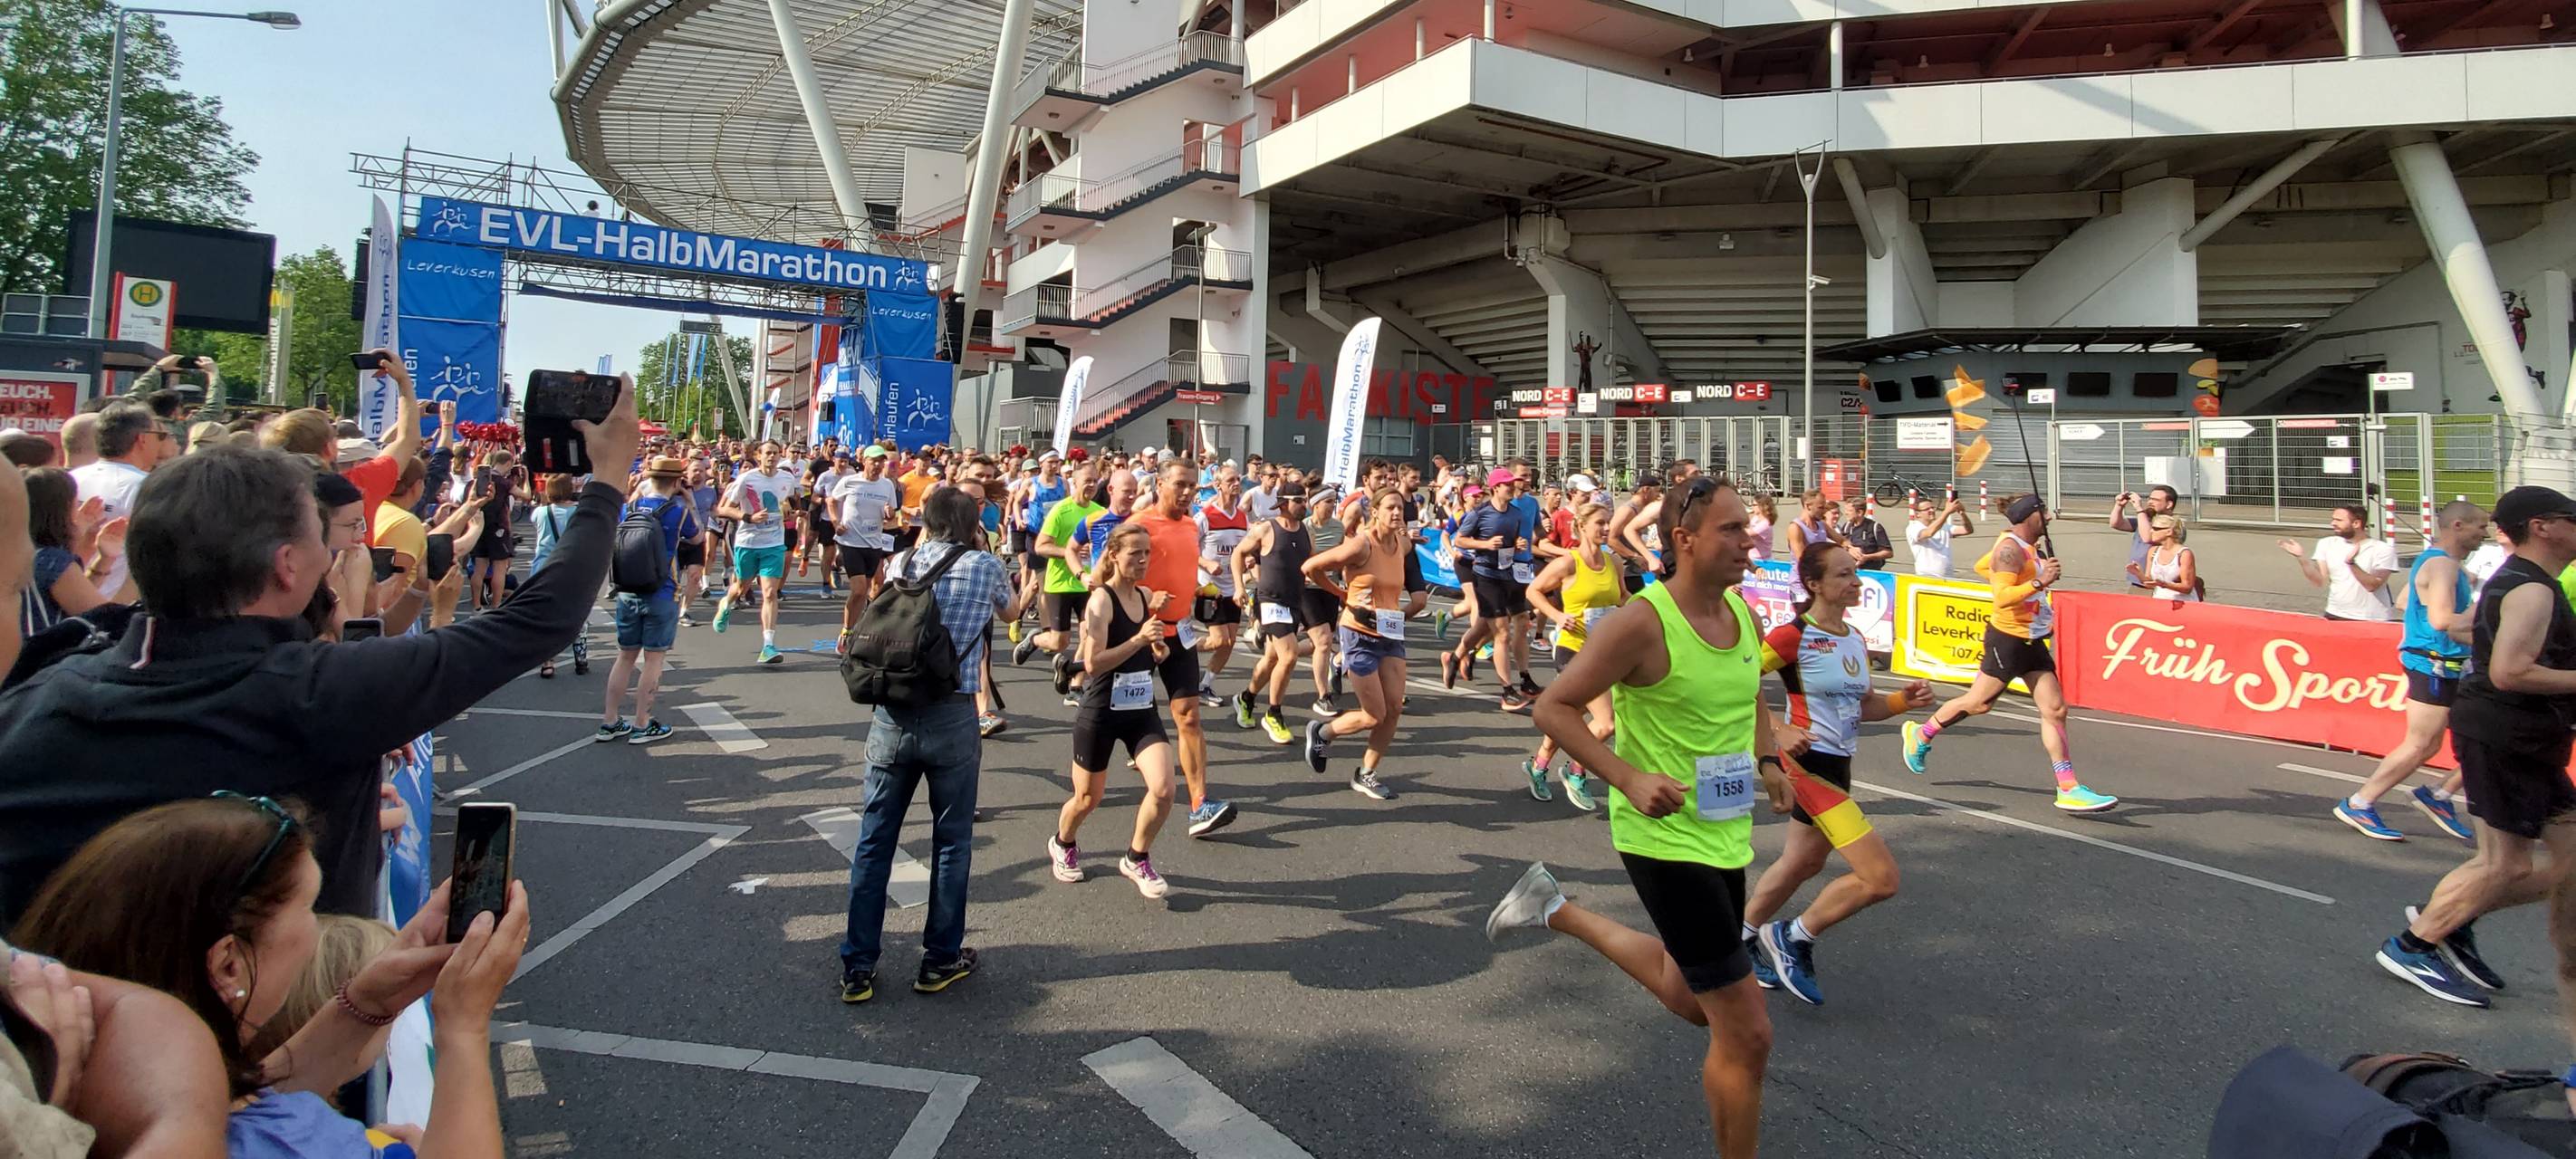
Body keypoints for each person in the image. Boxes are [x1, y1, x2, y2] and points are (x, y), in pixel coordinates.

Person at [0, 377, 639, 924]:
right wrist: (608, 479)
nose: (342, 552)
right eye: (326, 540)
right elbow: (542, 618)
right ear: (288, 565)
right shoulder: (314, 693)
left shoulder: (43, 685)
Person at [1485, 475, 1792, 1159]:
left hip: (1723, 831)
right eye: (1733, 530)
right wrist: (1626, 775)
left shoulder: (1740, 614)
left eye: (1748, 527)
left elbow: (1752, 697)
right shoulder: (1643, 623)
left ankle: (1553, 908)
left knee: (1692, 998)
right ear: (1684, 539)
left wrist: (1768, 762)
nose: (1750, 541)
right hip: (1662, 838)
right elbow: (1552, 708)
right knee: (1746, 1032)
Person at [13, 795, 529, 1159]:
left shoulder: (80, 1070)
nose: (319, 927)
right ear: (228, 965)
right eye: (310, 908)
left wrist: (368, 1000)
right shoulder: (289, 1146)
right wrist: (462, 1028)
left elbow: (243, 1096)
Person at [2375, 486, 2576, 1011]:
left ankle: (2452, 915)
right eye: (2572, 521)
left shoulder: (2521, 583)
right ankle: (2414, 945)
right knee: (2505, 865)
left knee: (2570, 862)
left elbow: (2472, 634)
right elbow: (2511, 672)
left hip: (2529, 739)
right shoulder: (2533, 590)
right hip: (2505, 736)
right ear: (2543, 527)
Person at [839, 487, 1030, 1003]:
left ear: (926, 522)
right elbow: (1011, 616)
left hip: (892, 710)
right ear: (973, 526)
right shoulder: (986, 565)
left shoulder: (902, 559)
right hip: (953, 711)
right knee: (951, 843)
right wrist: (1027, 580)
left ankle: (858, 965)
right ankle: (939, 959)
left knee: (875, 841)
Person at [1743, 544, 1931, 1006]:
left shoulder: (1853, 638)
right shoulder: (1791, 636)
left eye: (1856, 573)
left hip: (1840, 764)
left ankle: (1741, 937)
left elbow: (1865, 706)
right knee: (1881, 878)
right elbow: (1737, 684)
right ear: (1814, 584)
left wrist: (1903, 701)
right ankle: (1793, 936)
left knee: (1803, 863)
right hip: (1806, 768)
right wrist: (1780, 729)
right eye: (1845, 574)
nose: (1856, 582)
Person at [1900, 495, 2119, 813]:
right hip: (2009, 641)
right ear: (2030, 516)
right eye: (2044, 512)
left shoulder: (2023, 548)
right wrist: (2038, 581)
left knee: (2055, 710)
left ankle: (2068, 787)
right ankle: (1921, 733)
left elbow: (1981, 566)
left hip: (2033, 640)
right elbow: (2002, 597)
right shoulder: (2009, 550)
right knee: (1979, 703)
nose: (2049, 518)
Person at [2333, 502, 2485, 843]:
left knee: (2439, 743)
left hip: (2441, 660)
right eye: (2480, 526)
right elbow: (2442, 621)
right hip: (2433, 662)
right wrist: (2486, 612)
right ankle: (2360, 802)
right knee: (2419, 744)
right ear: (2458, 526)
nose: (2485, 533)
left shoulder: (2444, 565)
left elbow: (2403, 601)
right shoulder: (2443, 566)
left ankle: (2437, 796)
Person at [1047, 522, 1181, 897]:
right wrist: (1139, 638)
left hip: (1140, 708)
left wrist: (1156, 650)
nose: (1142, 560)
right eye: (1134, 553)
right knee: (1088, 798)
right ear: (1114, 555)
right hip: (1101, 710)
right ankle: (1063, 843)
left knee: (1165, 788)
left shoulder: (1146, 595)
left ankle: (1137, 857)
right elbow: (1092, 663)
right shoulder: (1101, 600)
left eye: (1147, 553)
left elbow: (1147, 647)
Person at [1135, 461, 1238, 837]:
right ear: (1159, 483)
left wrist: (1199, 586)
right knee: (1118, 718)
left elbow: (1183, 566)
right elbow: (1108, 578)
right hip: (1141, 634)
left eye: (1192, 486)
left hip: (1179, 634)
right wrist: (1147, 596)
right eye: (1179, 484)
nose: (1187, 492)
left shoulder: (1190, 526)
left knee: (1188, 716)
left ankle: (1199, 804)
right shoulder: (1139, 525)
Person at [1301, 488, 1413, 801]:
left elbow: (1404, 557)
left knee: (1393, 710)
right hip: (1359, 633)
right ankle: (1322, 732)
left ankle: (1366, 773)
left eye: (1400, 508)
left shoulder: (1401, 543)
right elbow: (1310, 568)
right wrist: (1340, 594)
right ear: (1374, 511)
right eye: (1390, 507)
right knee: (1374, 714)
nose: (1396, 513)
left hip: (1390, 632)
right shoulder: (1361, 545)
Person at [1521, 500, 1620, 811]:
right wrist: (1556, 615)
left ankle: (1538, 766)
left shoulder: (1613, 563)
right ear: (1582, 526)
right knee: (1605, 723)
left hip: (1604, 651)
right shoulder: (1568, 563)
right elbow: (1533, 591)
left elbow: (1625, 598)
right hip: (1573, 648)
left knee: (1571, 717)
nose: (1606, 529)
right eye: (1600, 523)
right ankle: (1576, 771)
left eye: (1608, 523)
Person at [597, 457, 701, 745]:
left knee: (625, 656)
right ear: (678, 482)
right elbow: (696, 538)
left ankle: (609, 720)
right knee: (653, 660)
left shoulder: (627, 507)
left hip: (627, 589)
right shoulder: (677, 511)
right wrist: (691, 502)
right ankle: (642, 722)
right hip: (661, 590)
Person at [1230, 479, 1334, 745]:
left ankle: (1246, 697)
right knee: (1288, 656)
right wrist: (1239, 587)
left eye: (1305, 501)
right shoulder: (1266, 529)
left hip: (1294, 602)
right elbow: (1238, 554)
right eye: (1299, 501)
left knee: (1273, 659)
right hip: (1270, 601)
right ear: (1284, 503)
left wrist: (1339, 592)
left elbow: (1314, 568)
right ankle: (1274, 713)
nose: (1304, 506)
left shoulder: (1304, 532)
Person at [1444, 472, 1533, 712]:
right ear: (1496, 487)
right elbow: (1460, 540)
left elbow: (1512, 541)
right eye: (1508, 485)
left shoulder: (1516, 513)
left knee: (1485, 627)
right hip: (1486, 576)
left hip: (1509, 574)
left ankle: (1455, 657)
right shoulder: (1479, 513)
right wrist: (1484, 544)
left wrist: (1517, 545)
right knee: (1502, 632)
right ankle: (1507, 691)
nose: (1513, 488)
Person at [66, 400, 170, 600]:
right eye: (160, 436)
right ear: (142, 439)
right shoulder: (148, 487)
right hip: (114, 608)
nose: (161, 443)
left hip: (66, 599)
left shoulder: (71, 479)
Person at [15, 468, 134, 640]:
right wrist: (137, 577)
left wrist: (105, 558)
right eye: (75, 503)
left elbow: (75, 600)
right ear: (62, 510)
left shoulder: (22, 552)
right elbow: (109, 622)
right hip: (39, 663)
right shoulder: (49, 560)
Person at [1024, 459, 1104, 702]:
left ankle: (1075, 687)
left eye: (1095, 481)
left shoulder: (1098, 512)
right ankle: (1035, 639)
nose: (1091, 485)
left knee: (1090, 634)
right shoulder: (1061, 510)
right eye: (1086, 481)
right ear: (1074, 482)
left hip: (1087, 582)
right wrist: (1069, 551)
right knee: (1060, 642)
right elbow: (1040, 546)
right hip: (1060, 583)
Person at [714, 439, 800, 664]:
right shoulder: (746, 479)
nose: (772, 457)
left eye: (775, 453)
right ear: (758, 456)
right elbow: (722, 509)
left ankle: (768, 646)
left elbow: (788, 502)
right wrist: (748, 518)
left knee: (770, 593)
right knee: (741, 587)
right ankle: (726, 603)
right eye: (767, 453)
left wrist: (790, 513)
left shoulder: (787, 479)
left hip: (773, 542)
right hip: (748, 541)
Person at [829, 445, 901, 652]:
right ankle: (847, 631)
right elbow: (831, 500)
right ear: (864, 461)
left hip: (874, 543)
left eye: (881, 461)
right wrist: (836, 522)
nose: (878, 465)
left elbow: (891, 515)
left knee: (866, 592)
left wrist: (888, 513)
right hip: (851, 541)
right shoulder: (850, 481)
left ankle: (852, 628)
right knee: (859, 589)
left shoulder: (887, 485)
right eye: (874, 461)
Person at [2278, 503, 2400, 621]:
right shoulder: (2326, 543)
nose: (2333, 523)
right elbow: (2320, 581)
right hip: (2335, 613)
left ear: (2356, 523)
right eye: (2333, 519)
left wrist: (2351, 563)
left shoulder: (2382, 549)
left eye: (2339, 520)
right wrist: (2301, 558)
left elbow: (2372, 585)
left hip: (2370, 617)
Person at [1195, 464, 1250, 705]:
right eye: (1230, 480)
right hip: (1209, 586)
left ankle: (1205, 684)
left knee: (1229, 642)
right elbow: (1188, 549)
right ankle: (1179, 649)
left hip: (1232, 587)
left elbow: (1245, 549)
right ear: (1217, 485)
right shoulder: (1205, 516)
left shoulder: (1242, 517)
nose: (1236, 484)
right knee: (1218, 640)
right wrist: (1205, 562)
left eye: (1238, 479)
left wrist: (1248, 558)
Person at [530, 473, 588, 678]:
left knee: (546, 617)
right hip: (572, 568)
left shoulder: (540, 512)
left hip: (543, 568)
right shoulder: (578, 512)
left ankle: (547, 662)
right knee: (577, 613)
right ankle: (580, 658)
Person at [2109, 484, 2181, 593]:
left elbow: (2148, 537)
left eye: (2156, 500)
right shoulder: (2145, 518)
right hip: (2138, 580)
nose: (2150, 502)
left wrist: (2139, 509)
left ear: (2169, 504)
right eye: (2150, 498)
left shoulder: (2171, 523)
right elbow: (2116, 524)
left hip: (2159, 583)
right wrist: (2119, 506)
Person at [677, 458, 719, 626]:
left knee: (694, 577)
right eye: (694, 470)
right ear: (686, 472)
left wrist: (721, 518)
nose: (698, 474)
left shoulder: (710, 492)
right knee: (675, 579)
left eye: (701, 470)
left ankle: (684, 611)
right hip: (677, 539)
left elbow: (714, 510)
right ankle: (670, 608)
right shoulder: (677, 490)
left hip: (698, 540)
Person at [2127, 513, 2200, 602]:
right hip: (2160, 601)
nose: (2151, 531)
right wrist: (2139, 574)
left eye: (2156, 529)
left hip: (2183, 602)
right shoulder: (2153, 551)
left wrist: (2165, 585)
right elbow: (2149, 583)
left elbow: (2187, 587)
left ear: (2169, 532)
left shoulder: (2184, 554)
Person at [1907, 493, 1971, 579]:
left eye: (1932, 508)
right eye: (1927, 509)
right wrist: (1947, 512)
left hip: (1948, 576)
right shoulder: (1913, 528)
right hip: (1927, 576)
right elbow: (1929, 533)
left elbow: (1967, 530)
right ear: (1917, 514)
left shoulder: (1943, 527)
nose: (1931, 510)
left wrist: (1962, 513)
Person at [1784, 490, 1842, 558]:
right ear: (1808, 506)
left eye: (1824, 508)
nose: (1824, 511)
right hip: (1808, 567)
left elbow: (1842, 541)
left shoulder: (1822, 524)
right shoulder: (1796, 528)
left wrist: (1851, 548)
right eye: (1820, 508)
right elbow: (1802, 559)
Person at [1840, 502, 1892, 570]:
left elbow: (1888, 553)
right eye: (1845, 510)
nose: (1846, 513)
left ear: (1860, 513)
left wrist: (1866, 557)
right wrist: (1849, 549)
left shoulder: (1875, 527)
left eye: (1849, 511)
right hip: (1850, 571)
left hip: (1870, 572)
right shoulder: (1847, 526)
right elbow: (1841, 544)